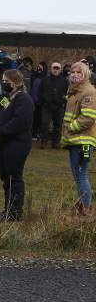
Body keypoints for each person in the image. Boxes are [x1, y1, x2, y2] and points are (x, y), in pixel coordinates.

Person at [0, 69, 33, 222]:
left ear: (15, 82)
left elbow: (20, 121)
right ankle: (8, 209)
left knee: (14, 177)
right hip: (2, 143)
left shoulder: (23, 99)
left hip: (16, 143)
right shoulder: (6, 98)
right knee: (6, 178)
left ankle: (15, 211)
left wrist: (0, 132)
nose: (4, 84)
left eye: (6, 81)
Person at [61, 61, 96, 216]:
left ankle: (86, 209)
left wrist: (71, 127)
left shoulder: (88, 92)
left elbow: (88, 118)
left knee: (81, 174)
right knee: (79, 174)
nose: (74, 75)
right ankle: (83, 203)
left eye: (78, 72)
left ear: (85, 74)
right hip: (76, 141)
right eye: (72, 72)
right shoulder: (74, 92)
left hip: (83, 141)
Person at [39, 61, 68, 148]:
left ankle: (56, 142)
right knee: (44, 124)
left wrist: (63, 102)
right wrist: (43, 101)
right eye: (54, 68)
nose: (55, 70)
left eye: (57, 68)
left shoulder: (64, 81)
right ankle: (44, 142)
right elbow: (40, 92)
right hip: (46, 106)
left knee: (58, 125)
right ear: (51, 69)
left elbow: (67, 94)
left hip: (59, 106)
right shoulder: (44, 80)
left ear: (60, 70)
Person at [30, 61, 46, 140]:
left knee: (40, 119)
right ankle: (34, 133)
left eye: (41, 67)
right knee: (34, 119)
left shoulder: (45, 78)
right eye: (38, 67)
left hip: (41, 102)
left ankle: (39, 133)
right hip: (33, 101)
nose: (39, 69)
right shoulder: (34, 77)